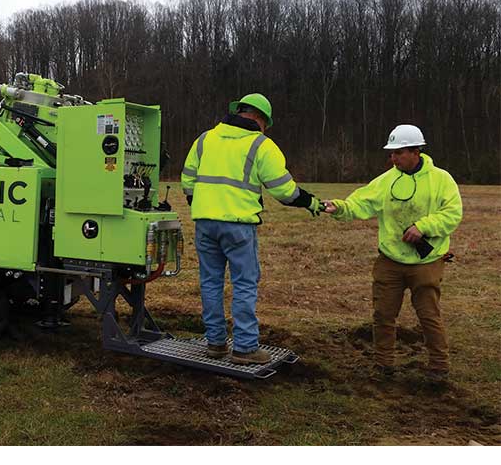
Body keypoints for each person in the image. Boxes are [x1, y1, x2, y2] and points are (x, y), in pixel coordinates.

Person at [181, 93, 322, 365]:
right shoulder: (261, 145)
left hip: (205, 223)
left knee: (210, 282)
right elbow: (284, 191)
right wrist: (310, 202)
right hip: (239, 226)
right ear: (260, 119)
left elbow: (187, 180)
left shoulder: (204, 139)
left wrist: (200, 204)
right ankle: (245, 348)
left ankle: (215, 343)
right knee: (244, 284)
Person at [323, 125, 462, 379]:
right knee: (383, 315)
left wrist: (423, 227)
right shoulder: (386, 180)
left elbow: (453, 214)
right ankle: (383, 365)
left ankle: (439, 367)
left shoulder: (442, 180)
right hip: (390, 261)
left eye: (398, 152)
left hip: (427, 262)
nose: (393, 158)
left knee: (429, 315)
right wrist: (340, 207)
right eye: (392, 153)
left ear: (415, 151)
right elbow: (361, 202)